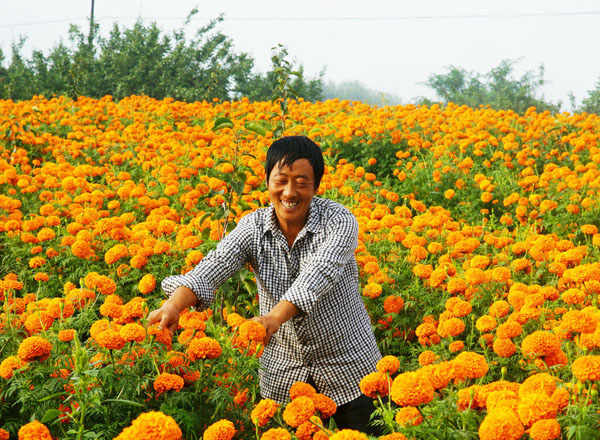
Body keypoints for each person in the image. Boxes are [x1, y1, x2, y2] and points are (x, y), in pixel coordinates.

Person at [148, 136, 382, 432]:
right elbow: (213, 266)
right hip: (285, 373)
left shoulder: (339, 221)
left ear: (317, 186)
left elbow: (318, 274)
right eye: (281, 180)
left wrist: (273, 318)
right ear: (267, 181)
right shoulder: (253, 227)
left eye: (301, 182)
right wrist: (172, 305)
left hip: (349, 367)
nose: (290, 192)